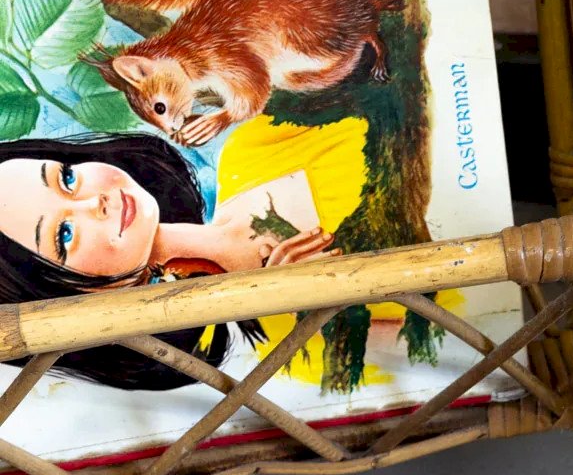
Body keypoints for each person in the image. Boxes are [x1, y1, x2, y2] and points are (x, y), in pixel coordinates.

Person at [0, 132, 336, 389]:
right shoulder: (274, 356)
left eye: (67, 179)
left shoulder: (252, 148)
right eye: (65, 234)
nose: (94, 203)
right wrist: (303, 310)